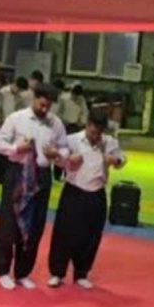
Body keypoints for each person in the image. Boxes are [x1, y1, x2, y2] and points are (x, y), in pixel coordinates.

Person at [0, 84, 67, 291]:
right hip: (18, 173)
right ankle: (2, 270)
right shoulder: (17, 118)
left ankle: (23, 272)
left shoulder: (56, 123)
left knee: (35, 225)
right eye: (42, 104)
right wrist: (16, 148)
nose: (44, 109)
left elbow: (65, 148)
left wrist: (56, 155)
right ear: (34, 98)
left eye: (48, 106)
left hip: (41, 175)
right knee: (8, 223)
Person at [48, 108, 127, 290]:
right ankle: (57, 273)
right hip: (73, 191)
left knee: (91, 236)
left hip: (96, 193)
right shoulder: (72, 140)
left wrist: (114, 160)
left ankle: (81, 273)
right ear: (87, 125)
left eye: (99, 133)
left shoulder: (109, 142)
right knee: (64, 234)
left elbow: (122, 159)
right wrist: (68, 160)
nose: (95, 136)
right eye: (93, 131)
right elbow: (58, 161)